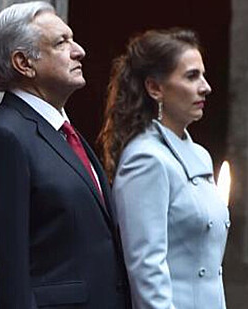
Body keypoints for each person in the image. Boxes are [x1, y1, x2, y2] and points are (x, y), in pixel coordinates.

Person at [0, 1, 130, 308]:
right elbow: (9, 263)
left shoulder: (63, 131)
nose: (79, 51)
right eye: (62, 43)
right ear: (23, 62)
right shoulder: (5, 135)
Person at [98, 28, 230, 309]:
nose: (205, 86)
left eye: (203, 76)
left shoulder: (200, 156)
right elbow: (147, 268)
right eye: (191, 76)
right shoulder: (146, 158)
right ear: (155, 88)